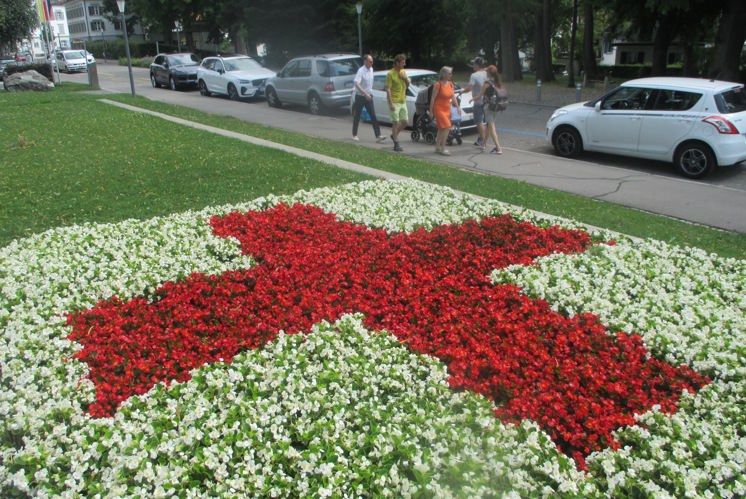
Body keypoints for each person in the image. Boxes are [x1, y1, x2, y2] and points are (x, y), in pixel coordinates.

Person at [352, 54, 387, 143]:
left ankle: (378, 135)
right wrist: (365, 94)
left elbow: (370, 83)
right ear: (365, 62)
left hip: (368, 95)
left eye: (372, 61)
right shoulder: (361, 71)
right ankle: (354, 134)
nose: (372, 63)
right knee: (357, 115)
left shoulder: (371, 69)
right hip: (360, 96)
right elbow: (357, 84)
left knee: (373, 115)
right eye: (370, 61)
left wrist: (370, 94)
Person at [473, 65, 506, 154]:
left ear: (488, 73)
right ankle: (484, 144)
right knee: (489, 125)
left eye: (486, 72)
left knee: (491, 127)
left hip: (488, 107)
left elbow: (480, 95)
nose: (485, 73)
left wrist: (473, 99)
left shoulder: (487, 83)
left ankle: (498, 148)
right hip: (497, 107)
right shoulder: (497, 82)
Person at [429, 66, 461, 156]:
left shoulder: (450, 84)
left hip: (447, 109)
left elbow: (453, 97)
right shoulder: (438, 84)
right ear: (444, 74)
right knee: (447, 126)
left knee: (441, 129)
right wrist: (431, 111)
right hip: (439, 109)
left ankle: (437, 147)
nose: (451, 75)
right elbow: (432, 98)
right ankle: (443, 147)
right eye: (449, 73)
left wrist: (458, 107)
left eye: (451, 73)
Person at [459, 56, 488, 148]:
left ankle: (483, 141)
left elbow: (469, 88)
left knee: (478, 121)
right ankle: (481, 138)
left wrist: (462, 91)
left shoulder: (474, 75)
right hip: (487, 100)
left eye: (474, 64)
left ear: (477, 65)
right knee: (488, 122)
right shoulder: (486, 73)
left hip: (478, 100)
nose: (473, 66)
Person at [385, 54, 410, 152]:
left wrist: (405, 78)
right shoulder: (390, 74)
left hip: (402, 101)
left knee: (405, 122)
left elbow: (407, 85)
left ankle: (393, 135)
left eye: (404, 62)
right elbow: (388, 89)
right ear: (397, 63)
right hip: (394, 101)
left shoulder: (403, 72)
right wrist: (391, 103)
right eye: (402, 62)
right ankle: (396, 143)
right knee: (396, 122)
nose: (404, 64)